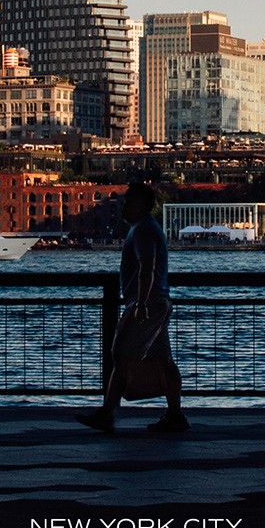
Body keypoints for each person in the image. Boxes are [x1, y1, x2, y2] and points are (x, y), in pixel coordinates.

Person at [76, 182, 189, 433]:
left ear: (141, 205)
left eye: (127, 202)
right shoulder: (148, 227)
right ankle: (175, 414)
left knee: (122, 355)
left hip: (146, 304)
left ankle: (107, 413)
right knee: (163, 361)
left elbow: (147, 267)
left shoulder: (142, 230)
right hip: (158, 302)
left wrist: (140, 304)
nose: (122, 206)